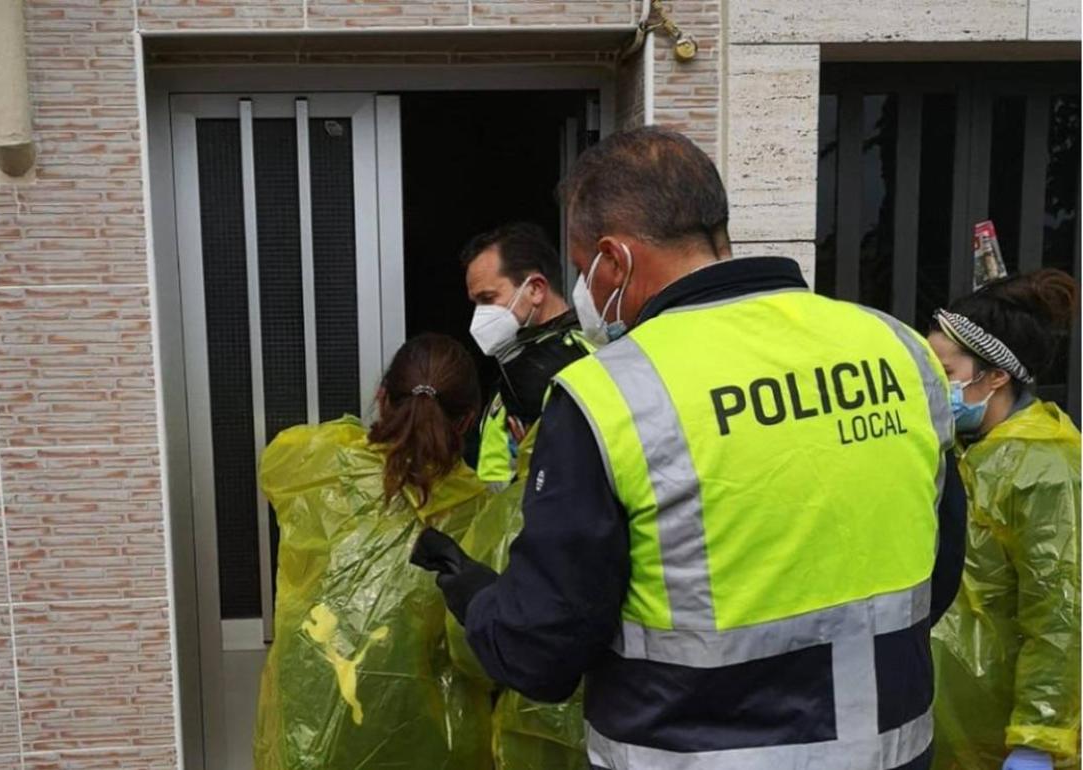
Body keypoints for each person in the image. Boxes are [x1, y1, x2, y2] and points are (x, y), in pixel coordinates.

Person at [412, 126, 968, 770]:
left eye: (582, 265)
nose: (586, 289)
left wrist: (478, 598)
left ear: (613, 260)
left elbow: (544, 650)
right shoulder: (896, 347)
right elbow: (940, 571)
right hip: (888, 752)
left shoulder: (612, 394)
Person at [255, 333, 493, 770]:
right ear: (468, 420)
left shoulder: (320, 465)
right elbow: (481, 652)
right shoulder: (480, 512)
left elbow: (275, 462)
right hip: (434, 742)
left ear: (382, 397)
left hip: (312, 741)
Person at [927, 269, 1081, 770]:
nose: (933, 388)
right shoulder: (970, 452)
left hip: (1004, 741)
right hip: (951, 731)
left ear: (996, 377)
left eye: (945, 375)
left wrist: (1038, 736)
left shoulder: (1045, 466)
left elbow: (1062, 611)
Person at [445, 422, 588, 770]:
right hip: (622, 728)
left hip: (528, 734)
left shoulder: (508, 515)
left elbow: (471, 655)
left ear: (518, 428)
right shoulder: (634, 496)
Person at [463, 223, 591, 485]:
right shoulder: (519, 356)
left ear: (535, 289)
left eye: (488, 298)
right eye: (476, 303)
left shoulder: (565, 361)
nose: (480, 314)